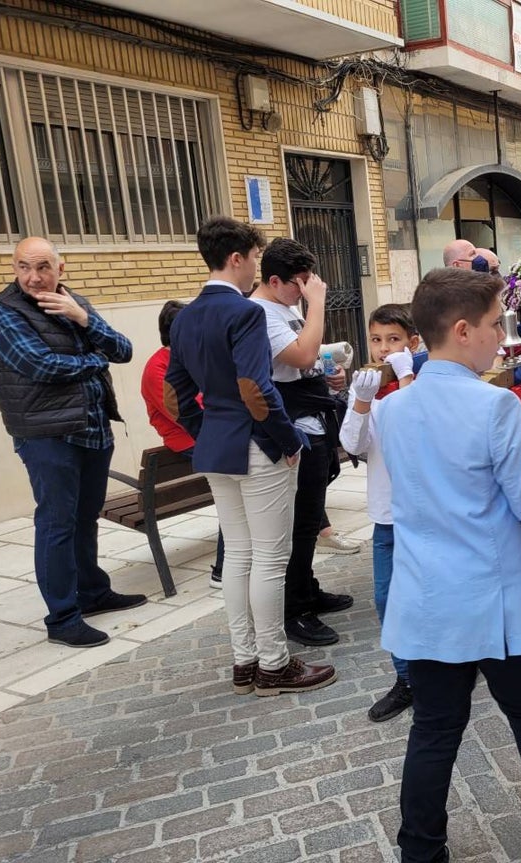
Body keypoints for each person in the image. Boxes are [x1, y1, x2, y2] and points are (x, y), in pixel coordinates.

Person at [374, 268, 521, 863]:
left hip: (429, 596)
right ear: (464, 329)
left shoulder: (391, 410)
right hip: (494, 598)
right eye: (498, 324)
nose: (504, 336)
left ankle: (420, 850)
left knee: (434, 730)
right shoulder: (494, 405)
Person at [166, 216, 335, 697]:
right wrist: (288, 442)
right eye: (256, 259)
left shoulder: (185, 316)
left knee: (239, 555)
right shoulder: (245, 313)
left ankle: (245, 661)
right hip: (259, 446)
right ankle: (275, 664)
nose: (256, 268)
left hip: (217, 447)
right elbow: (255, 389)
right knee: (269, 559)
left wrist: (207, 433)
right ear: (237, 258)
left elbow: (175, 395)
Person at [0, 237, 143, 648]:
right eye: (23, 267)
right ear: (14, 268)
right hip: (47, 435)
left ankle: (91, 592)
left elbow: (123, 349)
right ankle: (62, 616)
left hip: (91, 428)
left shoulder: (76, 303)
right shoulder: (2, 313)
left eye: (42, 267)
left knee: (85, 516)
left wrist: (84, 319)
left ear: (61, 268)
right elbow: (41, 366)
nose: (33, 277)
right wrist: (95, 360)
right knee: (56, 523)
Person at [248, 238, 354, 648]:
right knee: (296, 523)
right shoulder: (261, 313)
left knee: (310, 518)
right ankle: (294, 610)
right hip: (291, 429)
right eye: (300, 283)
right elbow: (301, 355)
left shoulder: (285, 305)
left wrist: (331, 378)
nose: (307, 290)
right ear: (275, 281)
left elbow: (309, 359)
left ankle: (307, 588)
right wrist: (318, 304)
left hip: (311, 419)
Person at [339, 303, 422, 723]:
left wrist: (406, 378)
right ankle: (405, 678)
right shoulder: (367, 388)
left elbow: (418, 432)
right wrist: (360, 401)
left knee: (433, 595)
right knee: (387, 598)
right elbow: (353, 444)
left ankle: (447, 668)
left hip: (425, 515)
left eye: (394, 340)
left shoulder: (421, 384)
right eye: (376, 340)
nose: (384, 349)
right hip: (388, 517)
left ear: (413, 342)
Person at [140, 299, 225, 585]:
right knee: (236, 487)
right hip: (191, 440)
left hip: (209, 435)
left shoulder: (191, 357)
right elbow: (188, 413)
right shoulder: (157, 369)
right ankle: (223, 569)